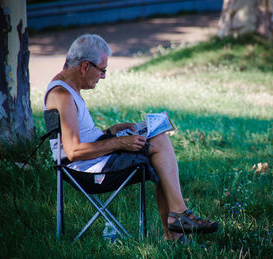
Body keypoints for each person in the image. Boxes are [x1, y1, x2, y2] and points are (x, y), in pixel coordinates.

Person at [43, 34, 217, 241]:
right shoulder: (63, 95)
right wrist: (119, 142)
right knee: (159, 147)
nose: (103, 76)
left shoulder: (66, 86)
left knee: (157, 142)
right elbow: (72, 152)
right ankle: (177, 221)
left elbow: (79, 137)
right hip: (86, 172)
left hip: (94, 160)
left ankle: (177, 228)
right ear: (84, 67)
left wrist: (110, 132)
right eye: (102, 70)